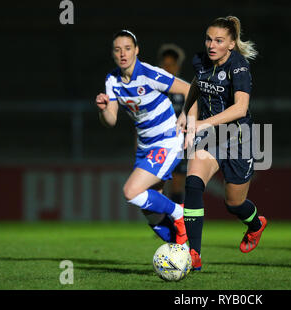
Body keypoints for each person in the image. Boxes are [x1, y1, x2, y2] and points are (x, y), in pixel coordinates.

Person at [176, 16, 267, 271]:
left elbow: (241, 108)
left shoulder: (239, 67)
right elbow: (197, 86)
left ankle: (256, 224)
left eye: (218, 40)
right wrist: (187, 114)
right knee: (193, 184)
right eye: (208, 39)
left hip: (240, 139)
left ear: (231, 44)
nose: (211, 45)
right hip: (211, 137)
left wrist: (204, 123)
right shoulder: (200, 60)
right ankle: (193, 255)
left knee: (234, 203)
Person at [95, 30, 191, 246]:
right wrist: (102, 110)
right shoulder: (112, 80)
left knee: (131, 191)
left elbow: (189, 89)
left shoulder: (149, 74)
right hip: (145, 146)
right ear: (113, 53)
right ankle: (186, 254)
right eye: (118, 49)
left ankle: (178, 211)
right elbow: (111, 120)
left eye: (127, 48)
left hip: (167, 141)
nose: (123, 54)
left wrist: (186, 117)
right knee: (151, 214)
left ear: (136, 50)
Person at [158, 43, 188, 204]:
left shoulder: (185, 91)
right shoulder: (154, 90)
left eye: (171, 65)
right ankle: (163, 224)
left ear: (177, 67)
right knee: (157, 186)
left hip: (179, 145)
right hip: (157, 144)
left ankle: (178, 226)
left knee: (177, 186)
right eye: (165, 65)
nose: (168, 69)